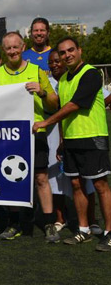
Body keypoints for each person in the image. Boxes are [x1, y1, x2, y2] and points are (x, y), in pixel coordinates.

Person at [33, 37, 111, 251]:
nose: (67, 55)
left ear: (79, 51)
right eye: (63, 52)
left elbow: (73, 106)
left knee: (100, 185)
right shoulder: (65, 79)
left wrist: (46, 122)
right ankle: (83, 230)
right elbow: (60, 109)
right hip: (71, 139)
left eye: (70, 51)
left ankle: (109, 232)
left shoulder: (91, 73)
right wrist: (62, 140)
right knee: (76, 185)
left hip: (92, 137)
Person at [0, 32, 60, 243]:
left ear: (23, 47)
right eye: (8, 48)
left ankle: (49, 223)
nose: (12, 51)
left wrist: (43, 92)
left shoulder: (37, 71)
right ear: (4, 50)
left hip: (34, 133)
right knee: (12, 178)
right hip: (8, 136)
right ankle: (14, 223)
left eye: (15, 47)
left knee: (41, 178)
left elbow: (54, 105)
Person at [45, 50, 103, 235]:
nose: (55, 65)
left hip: (86, 134)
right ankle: (66, 221)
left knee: (91, 181)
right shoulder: (53, 83)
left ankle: (94, 222)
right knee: (60, 178)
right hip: (59, 133)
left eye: (58, 61)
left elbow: (100, 96)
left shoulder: (85, 75)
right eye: (51, 62)